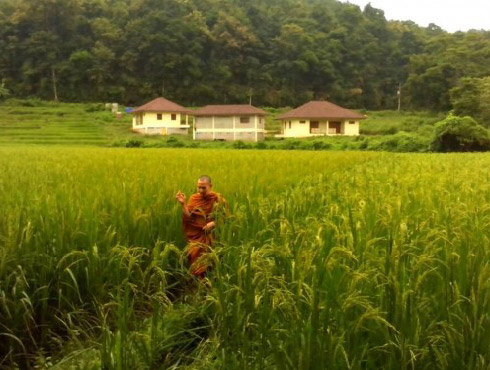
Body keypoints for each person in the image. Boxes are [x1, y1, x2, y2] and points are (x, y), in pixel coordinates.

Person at [175, 175, 227, 279]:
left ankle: (209, 286)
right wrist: (183, 204)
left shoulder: (218, 199)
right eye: (199, 187)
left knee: (210, 263)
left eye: (204, 187)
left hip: (211, 237)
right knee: (196, 262)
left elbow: (224, 218)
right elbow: (188, 217)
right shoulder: (194, 198)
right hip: (196, 237)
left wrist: (213, 223)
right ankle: (197, 285)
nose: (201, 190)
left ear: (210, 186)